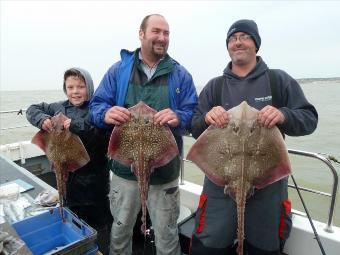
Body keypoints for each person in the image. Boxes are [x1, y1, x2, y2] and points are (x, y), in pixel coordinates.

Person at [190, 19, 318, 255]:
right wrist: (207, 117)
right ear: (227, 46)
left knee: (264, 248)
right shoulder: (214, 87)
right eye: (232, 38)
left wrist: (283, 115)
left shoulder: (278, 80)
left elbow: (309, 120)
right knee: (208, 246)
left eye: (244, 37)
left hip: (268, 184)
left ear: (256, 44)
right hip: (221, 184)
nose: (237, 42)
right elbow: (194, 126)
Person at [89, 14, 198, 255]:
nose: (162, 38)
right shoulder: (118, 72)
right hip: (124, 170)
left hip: (165, 171)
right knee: (120, 230)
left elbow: (194, 114)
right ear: (141, 34)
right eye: (156, 31)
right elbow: (96, 106)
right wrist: (106, 113)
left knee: (167, 233)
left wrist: (179, 117)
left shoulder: (180, 75)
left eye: (166, 33)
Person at [26, 67, 112, 255]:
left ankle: (99, 248)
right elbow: (32, 109)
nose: (75, 91)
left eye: (80, 86)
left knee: (100, 225)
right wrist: (42, 119)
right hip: (67, 176)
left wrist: (75, 126)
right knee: (71, 217)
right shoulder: (58, 107)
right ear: (65, 89)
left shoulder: (97, 109)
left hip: (95, 180)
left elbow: (100, 135)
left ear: (89, 87)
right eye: (70, 87)